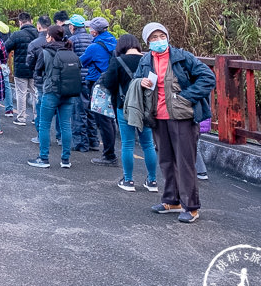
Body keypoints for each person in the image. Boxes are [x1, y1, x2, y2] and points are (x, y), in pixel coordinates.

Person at [135, 22, 216, 224]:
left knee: (185, 162)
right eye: (153, 38)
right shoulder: (145, 60)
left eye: (161, 36)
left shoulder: (182, 57)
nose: (158, 41)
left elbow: (207, 77)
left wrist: (187, 97)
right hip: (158, 117)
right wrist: (140, 82)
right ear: (147, 41)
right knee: (166, 160)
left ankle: (191, 206)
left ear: (167, 36)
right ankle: (172, 200)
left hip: (183, 117)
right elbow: (135, 80)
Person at [98, 34, 158, 192]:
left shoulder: (118, 61)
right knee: (148, 144)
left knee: (127, 144)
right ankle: (152, 181)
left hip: (124, 107)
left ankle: (128, 180)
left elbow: (108, 83)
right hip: (146, 108)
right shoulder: (149, 60)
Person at [28, 25, 79, 168]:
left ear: (50, 37)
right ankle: (65, 160)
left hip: (51, 92)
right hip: (68, 93)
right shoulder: (69, 50)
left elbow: (37, 70)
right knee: (65, 125)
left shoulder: (45, 52)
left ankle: (43, 158)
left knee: (44, 124)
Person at [80, 17, 118, 166]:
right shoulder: (114, 42)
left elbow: (81, 62)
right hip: (112, 83)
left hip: (99, 84)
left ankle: (109, 155)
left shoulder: (94, 47)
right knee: (110, 119)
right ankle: (110, 153)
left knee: (103, 120)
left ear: (94, 31)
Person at [67, 14, 98, 152]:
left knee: (79, 112)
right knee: (91, 111)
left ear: (72, 27)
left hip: (79, 80)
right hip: (92, 79)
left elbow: (70, 61)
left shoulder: (72, 40)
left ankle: (81, 143)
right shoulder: (92, 38)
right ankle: (94, 141)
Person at [4, 12, 39, 127]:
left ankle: (21, 118)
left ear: (20, 22)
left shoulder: (16, 35)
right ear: (31, 21)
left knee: (21, 93)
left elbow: (5, 48)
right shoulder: (39, 34)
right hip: (36, 68)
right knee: (35, 93)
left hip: (20, 68)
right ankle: (36, 117)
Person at [26, 15, 53, 144]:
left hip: (40, 79)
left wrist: (36, 69)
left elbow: (29, 62)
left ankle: (40, 136)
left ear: (38, 26)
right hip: (55, 80)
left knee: (40, 108)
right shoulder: (58, 40)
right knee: (59, 112)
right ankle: (59, 137)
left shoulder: (34, 44)